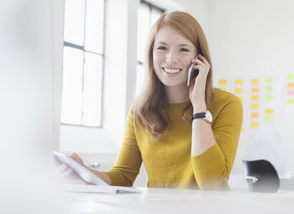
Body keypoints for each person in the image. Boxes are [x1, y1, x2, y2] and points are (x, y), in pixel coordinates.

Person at [63, 11, 243, 190]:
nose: (171, 59)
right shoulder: (140, 108)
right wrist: (83, 172)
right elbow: (122, 177)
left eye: (183, 49)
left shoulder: (227, 104)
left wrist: (199, 106)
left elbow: (211, 184)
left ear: (199, 58)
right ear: (151, 54)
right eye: (162, 48)